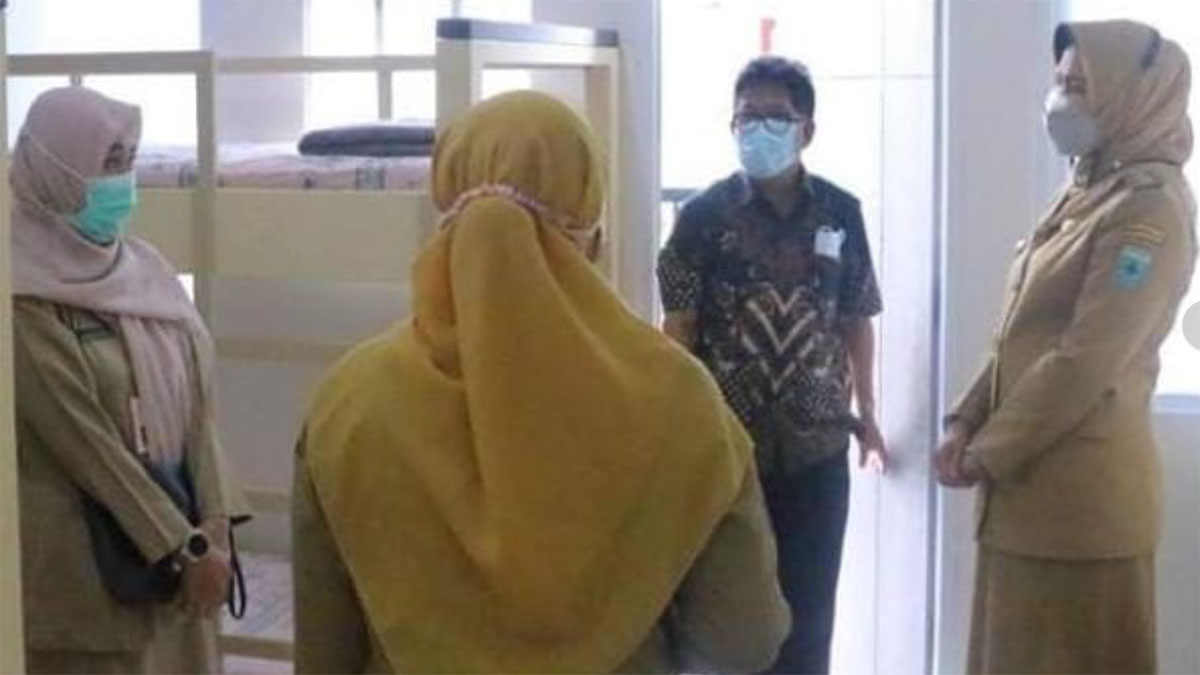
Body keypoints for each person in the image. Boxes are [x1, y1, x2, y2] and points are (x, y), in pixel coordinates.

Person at [291, 90, 791, 674]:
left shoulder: (350, 402)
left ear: (446, 225)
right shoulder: (681, 401)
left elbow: (326, 651)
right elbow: (743, 638)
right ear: (590, 242)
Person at [935, 20, 1196, 675]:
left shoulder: (1149, 210)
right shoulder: (1088, 189)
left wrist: (988, 451)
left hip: (1080, 512)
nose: (1060, 101)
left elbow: (1086, 359)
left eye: (1079, 87)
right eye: (1059, 82)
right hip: (1025, 493)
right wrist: (963, 419)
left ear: (1131, 96)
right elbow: (1019, 332)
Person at [657, 56, 886, 675]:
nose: (758, 128)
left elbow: (856, 318)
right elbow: (678, 331)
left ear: (806, 129)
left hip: (818, 450)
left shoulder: (841, 212)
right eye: (747, 117)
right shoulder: (701, 220)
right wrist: (674, 428)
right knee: (731, 621)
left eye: (775, 117)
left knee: (810, 621)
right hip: (730, 453)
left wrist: (868, 414)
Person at [11, 87, 249, 675]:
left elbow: (200, 414)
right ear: (54, 171)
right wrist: (182, 546)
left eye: (129, 161)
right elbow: (87, 448)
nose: (121, 180)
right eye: (106, 162)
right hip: (88, 577)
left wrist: (215, 527)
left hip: (183, 567)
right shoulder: (21, 297)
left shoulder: (148, 272)